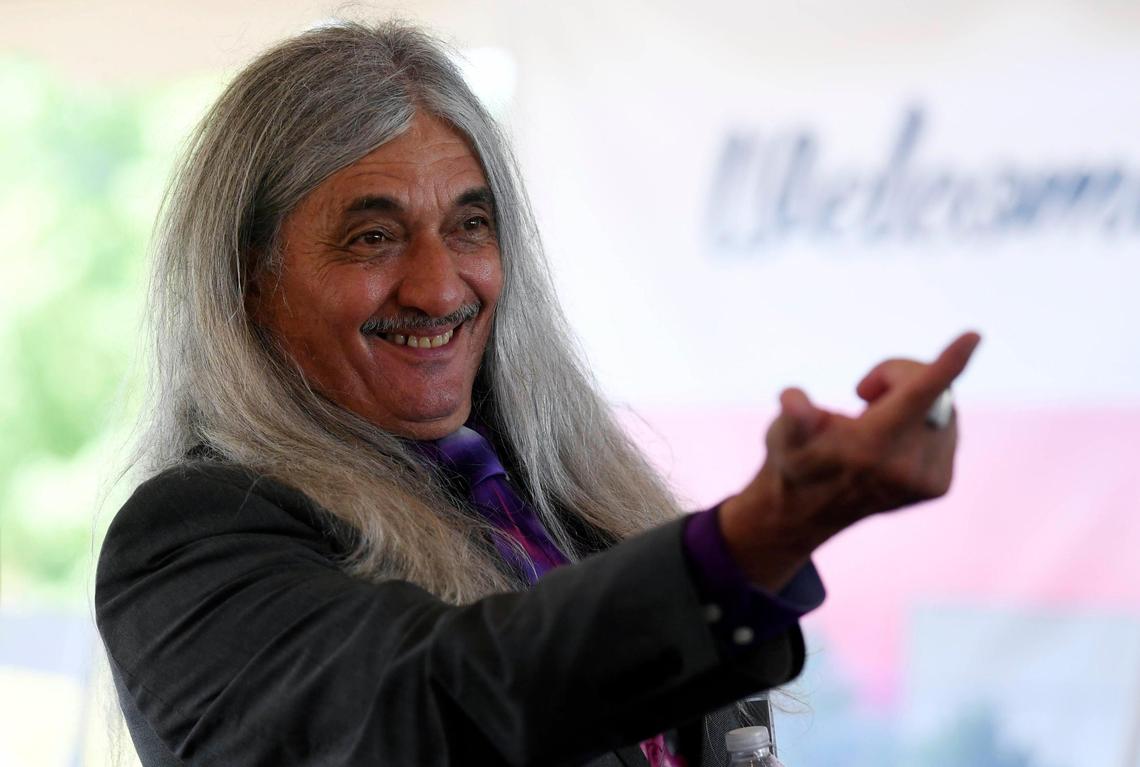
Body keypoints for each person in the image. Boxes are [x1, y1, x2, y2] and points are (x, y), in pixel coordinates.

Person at [95, 20, 981, 767]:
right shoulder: (191, 539)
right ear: (247, 281)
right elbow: (439, 702)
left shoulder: (562, 505)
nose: (440, 287)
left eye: (470, 225)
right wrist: (762, 533)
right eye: (372, 237)